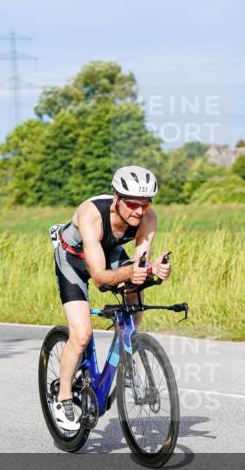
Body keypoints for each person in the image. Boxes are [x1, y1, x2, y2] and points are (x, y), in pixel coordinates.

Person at [48, 165, 171, 431]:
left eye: (146, 204)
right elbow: (100, 278)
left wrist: (154, 271)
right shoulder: (91, 214)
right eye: (133, 204)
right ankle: (64, 396)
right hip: (74, 260)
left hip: (109, 252)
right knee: (80, 335)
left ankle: (128, 353)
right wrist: (131, 271)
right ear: (116, 198)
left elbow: (139, 264)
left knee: (135, 295)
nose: (140, 211)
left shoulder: (148, 218)